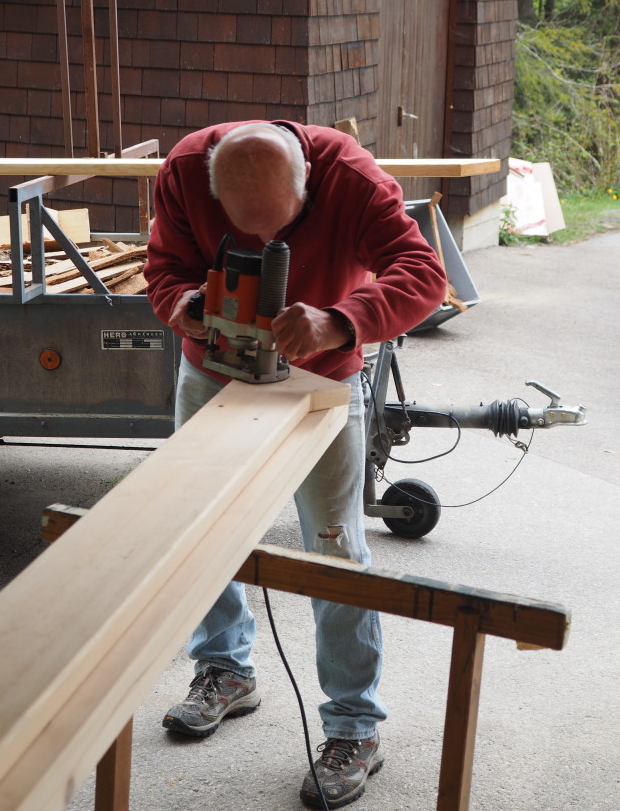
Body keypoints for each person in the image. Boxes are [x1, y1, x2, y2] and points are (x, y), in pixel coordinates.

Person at [145, 119, 446, 808]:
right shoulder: (185, 169)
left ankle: (354, 727)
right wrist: (181, 304)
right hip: (212, 369)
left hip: (323, 379)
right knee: (201, 528)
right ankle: (224, 669)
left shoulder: (353, 178)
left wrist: (340, 321)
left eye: (275, 229)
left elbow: (425, 275)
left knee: (334, 551)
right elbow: (164, 266)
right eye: (242, 229)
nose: (259, 246)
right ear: (214, 187)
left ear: (307, 184)